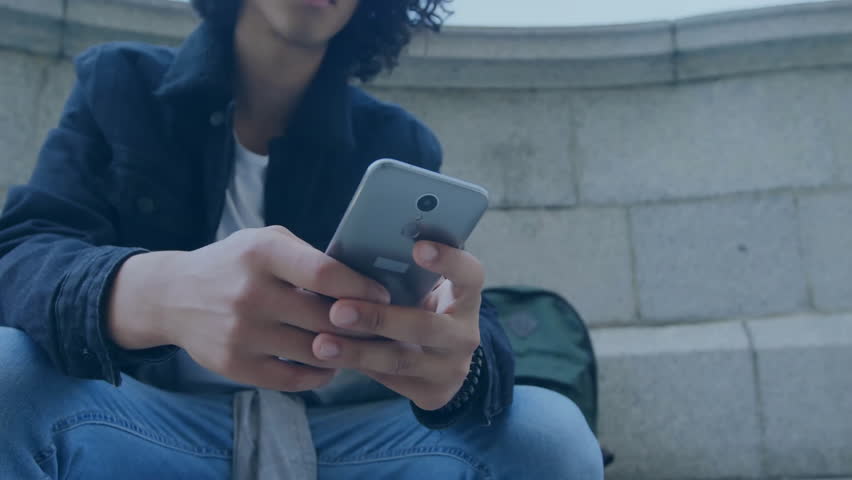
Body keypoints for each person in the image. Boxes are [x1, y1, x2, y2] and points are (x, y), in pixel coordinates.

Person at [0, 0, 604, 478]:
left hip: (345, 437)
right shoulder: (120, 83)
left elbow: (469, 325)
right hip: (139, 420)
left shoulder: (398, 141)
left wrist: (460, 369)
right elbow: (23, 253)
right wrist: (155, 295)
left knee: (549, 432)